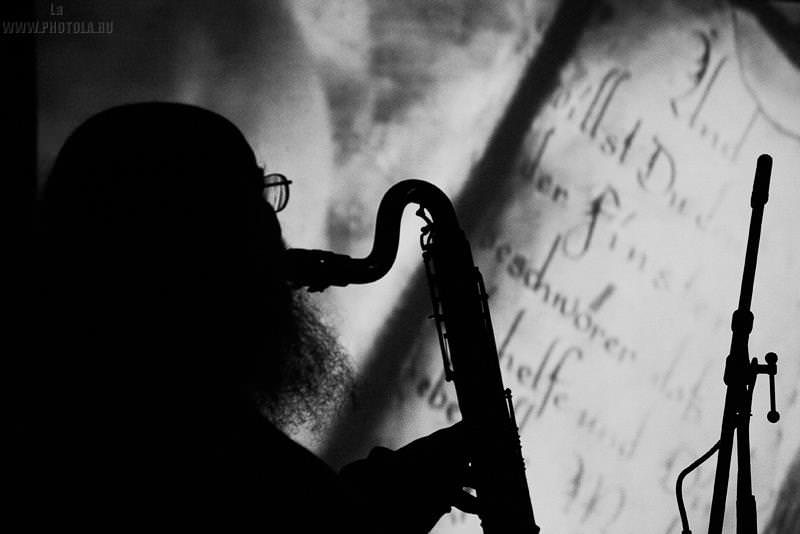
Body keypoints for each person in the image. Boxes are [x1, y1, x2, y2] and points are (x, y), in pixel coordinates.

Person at [28, 103, 475, 531]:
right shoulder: (201, 444)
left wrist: (367, 499)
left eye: (265, 195)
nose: (273, 228)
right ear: (165, 241)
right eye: (245, 202)